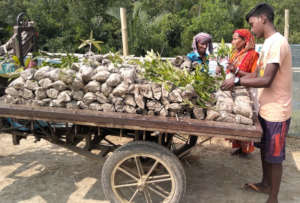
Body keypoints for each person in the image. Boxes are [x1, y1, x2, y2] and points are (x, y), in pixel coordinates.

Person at [221, 3, 292, 203]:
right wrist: (237, 73)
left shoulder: (277, 43)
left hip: (278, 111)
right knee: (265, 151)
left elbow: (266, 79)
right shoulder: (268, 43)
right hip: (266, 108)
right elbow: (257, 74)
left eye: (253, 24)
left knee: (274, 157)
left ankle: (273, 198)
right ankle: (265, 183)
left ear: (263, 19)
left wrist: (236, 81)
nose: (252, 29)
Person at [227, 29, 259, 156]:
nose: (232, 41)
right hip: (234, 88)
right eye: (233, 39)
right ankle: (238, 146)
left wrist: (236, 71)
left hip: (247, 90)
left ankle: (246, 149)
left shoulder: (253, 55)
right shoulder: (235, 54)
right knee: (237, 115)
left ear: (245, 40)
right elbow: (231, 70)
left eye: (235, 39)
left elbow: (254, 76)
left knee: (246, 116)